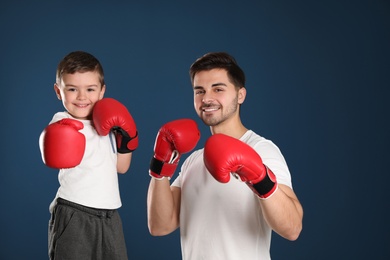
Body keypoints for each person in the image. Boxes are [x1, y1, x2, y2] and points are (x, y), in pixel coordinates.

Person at [147, 52, 303, 259]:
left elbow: (292, 229)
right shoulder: (193, 161)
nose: (207, 98)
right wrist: (160, 165)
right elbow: (160, 226)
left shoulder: (262, 150)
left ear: (240, 95)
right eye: (199, 91)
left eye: (218, 89)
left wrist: (260, 178)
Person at [39, 51, 138, 260]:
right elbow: (53, 153)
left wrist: (127, 140)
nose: (82, 97)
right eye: (72, 89)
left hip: (110, 214)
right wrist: (59, 134)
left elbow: (121, 167)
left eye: (90, 89)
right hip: (74, 212)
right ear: (58, 91)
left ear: (102, 91)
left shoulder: (109, 123)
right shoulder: (61, 120)